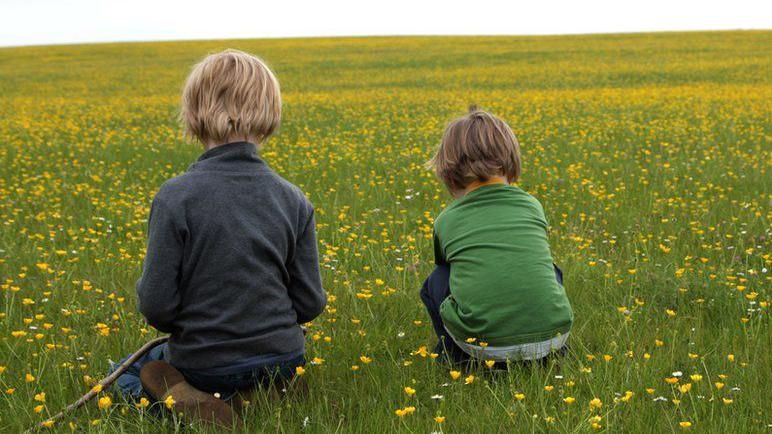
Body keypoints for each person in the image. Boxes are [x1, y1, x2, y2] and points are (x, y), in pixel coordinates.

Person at [111, 49, 326, 425]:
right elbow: (310, 303)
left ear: (194, 113)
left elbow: (157, 306)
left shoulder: (175, 197)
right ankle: (262, 393)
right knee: (267, 368)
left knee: (126, 373)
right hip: (284, 358)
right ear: (270, 113)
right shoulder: (293, 198)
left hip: (205, 363)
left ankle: (188, 397)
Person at [420, 107, 573, 365]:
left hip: (484, 347)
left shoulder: (447, 220)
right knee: (550, 269)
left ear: (448, 172)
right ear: (511, 162)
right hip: (555, 335)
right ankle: (550, 354)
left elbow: (445, 266)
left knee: (437, 280)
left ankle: (455, 355)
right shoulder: (531, 205)